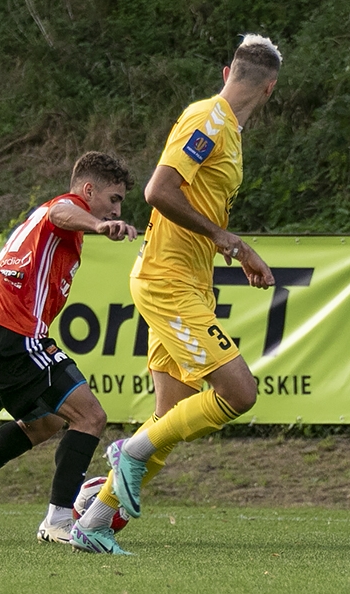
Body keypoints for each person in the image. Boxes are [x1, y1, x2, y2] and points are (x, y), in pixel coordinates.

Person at [70, 34, 282, 555]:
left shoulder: (225, 130)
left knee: (170, 420)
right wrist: (229, 241)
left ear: (227, 68)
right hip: (168, 281)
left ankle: (93, 523)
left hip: (185, 283)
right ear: (270, 89)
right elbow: (157, 191)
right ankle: (127, 451)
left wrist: (221, 247)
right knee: (239, 394)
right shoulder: (209, 120)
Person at [0, 151, 137, 544]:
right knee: (90, 417)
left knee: (49, 421)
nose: (116, 209)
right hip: (18, 336)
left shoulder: (30, 231)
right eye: (114, 199)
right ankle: (58, 520)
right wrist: (97, 225)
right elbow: (63, 213)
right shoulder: (62, 213)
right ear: (88, 191)